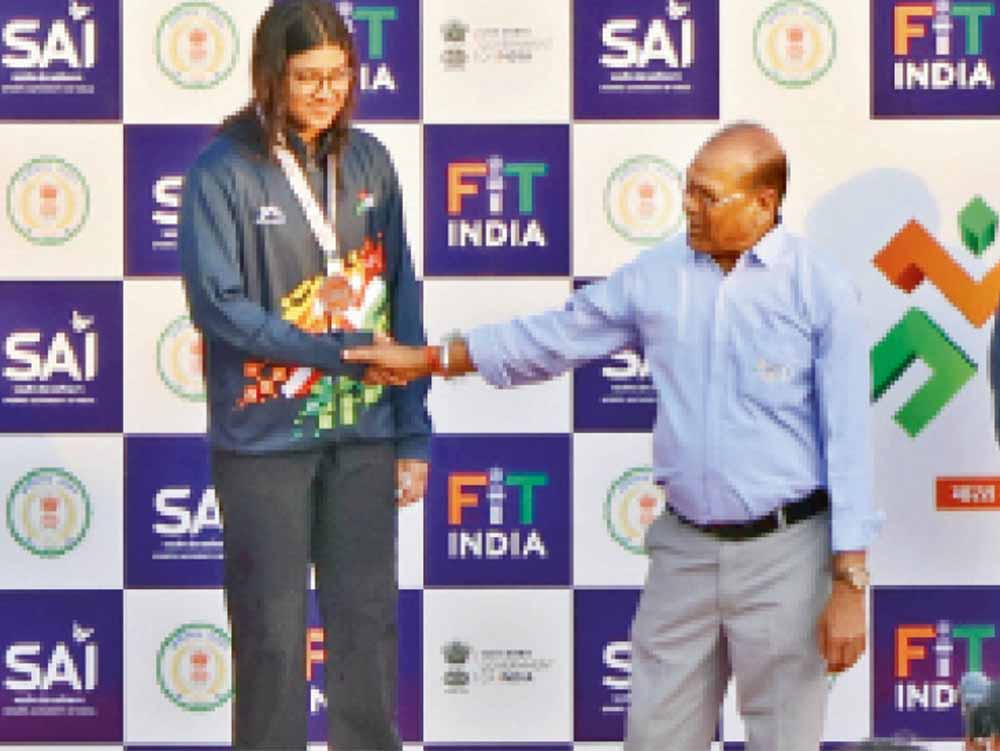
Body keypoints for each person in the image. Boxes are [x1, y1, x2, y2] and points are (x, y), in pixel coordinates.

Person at [344, 123, 882, 751]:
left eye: (708, 196)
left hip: (787, 554)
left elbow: (848, 439)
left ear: (764, 203)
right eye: (687, 190)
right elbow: (555, 337)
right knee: (653, 737)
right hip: (684, 550)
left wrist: (850, 582)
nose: (688, 207)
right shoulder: (658, 275)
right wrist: (432, 359)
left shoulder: (819, 288)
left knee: (783, 740)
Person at [178, 2, 430, 749]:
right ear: (270, 76)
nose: (327, 93)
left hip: (365, 435)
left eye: (339, 76)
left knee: (367, 632)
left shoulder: (371, 160)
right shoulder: (221, 170)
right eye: (307, 77)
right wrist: (333, 349)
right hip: (262, 442)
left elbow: (402, 294)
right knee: (271, 637)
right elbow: (217, 307)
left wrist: (412, 430)